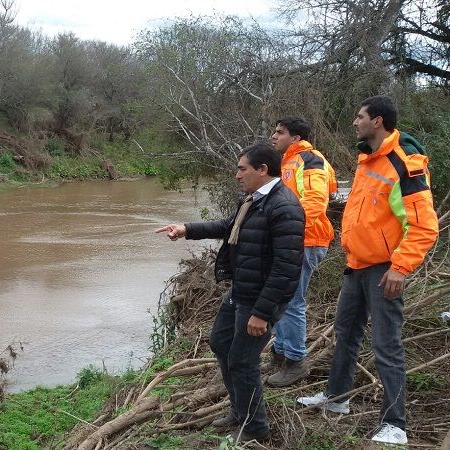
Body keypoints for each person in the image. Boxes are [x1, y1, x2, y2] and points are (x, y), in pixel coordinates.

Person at [297, 95, 439, 445]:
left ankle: (396, 425)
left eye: (359, 117)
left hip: (384, 271)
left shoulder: (405, 165)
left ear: (377, 121)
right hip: (356, 265)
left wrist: (400, 268)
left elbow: (424, 226)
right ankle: (337, 398)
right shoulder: (366, 158)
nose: (354, 122)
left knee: (386, 344)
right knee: (345, 334)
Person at [156, 143, 304, 443]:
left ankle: (254, 427)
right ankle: (239, 411)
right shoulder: (254, 199)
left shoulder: (284, 207)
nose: (237, 175)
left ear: (263, 170)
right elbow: (229, 226)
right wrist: (187, 229)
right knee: (220, 343)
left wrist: (262, 312)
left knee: (243, 360)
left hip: (259, 299)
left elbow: (287, 269)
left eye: (242, 169)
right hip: (241, 290)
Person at [265, 117, 337, 387]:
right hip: (294, 239)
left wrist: (287, 230)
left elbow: (316, 201)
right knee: (281, 298)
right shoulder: (288, 161)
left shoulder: (310, 159)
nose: (274, 136)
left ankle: (296, 362)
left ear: (295, 138)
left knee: (292, 300)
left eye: (279, 132)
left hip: (305, 240)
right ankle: (281, 354)